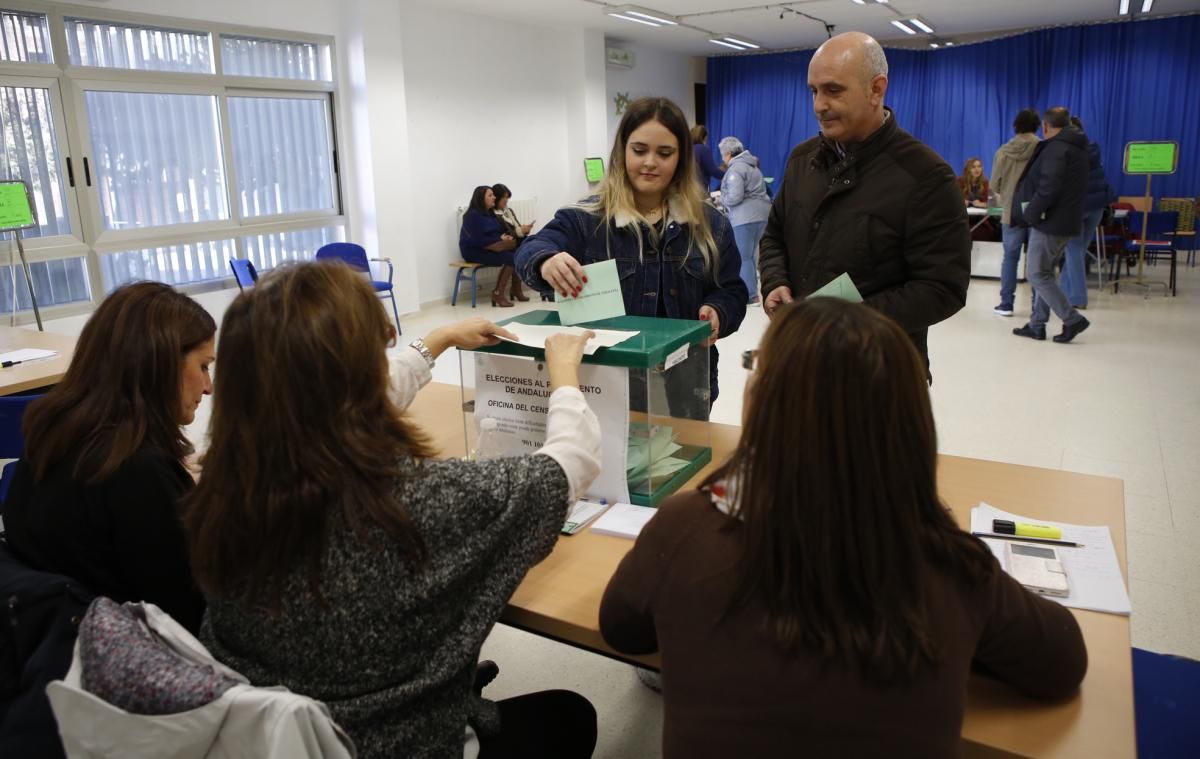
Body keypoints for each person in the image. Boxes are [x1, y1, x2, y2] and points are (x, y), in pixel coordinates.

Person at [599, 298, 1088, 758]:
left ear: (762, 400)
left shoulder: (685, 529)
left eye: (755, 363)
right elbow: (1062, 663)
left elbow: (622, 630)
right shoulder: (951, 566)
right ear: (908, 421)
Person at [185, 261, 601, 759]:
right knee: (572, 716)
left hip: (275, 742)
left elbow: (336, 405)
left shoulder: (219, 489)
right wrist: (565, 375)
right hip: (402, 743)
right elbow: (567, 465)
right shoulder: (421, 505)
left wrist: (438, 340)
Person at [2, 282, 215, 634]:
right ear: (161, 364)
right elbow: (186, 618)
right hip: (138, 661)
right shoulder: (138, 474)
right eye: (204, 366)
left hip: (52, 652)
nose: (208, 387)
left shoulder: (50, 440)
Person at [757, 32, 969, 380]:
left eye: (833, 90)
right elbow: (775, 235)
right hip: (802, 361)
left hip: (879, 374)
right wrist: (775, 282)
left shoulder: (926, 176)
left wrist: (845, 321)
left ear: (876, 89)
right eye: (814, 91)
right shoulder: (801, 161)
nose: (819, 105)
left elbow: (943, 287)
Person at [516, 96, 748, 410]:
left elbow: (731, 290)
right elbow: (531, 249)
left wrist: (719, 312)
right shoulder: (586, 220)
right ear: (622, 152)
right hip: (609, 386)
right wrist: (546, 261)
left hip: (687, 384)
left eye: (664, 153)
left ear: (681, 159)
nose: (650, 162)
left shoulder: (710, 225)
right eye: (639, 150)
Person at [1009, 107, 1090, 343]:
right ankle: (1037, 324)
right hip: (1067, 220)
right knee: (1045, 273)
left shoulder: (1056, 148)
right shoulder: (1078, 147)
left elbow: (1048, 188)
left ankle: (1072, 319)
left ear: (1046, 126)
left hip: (1050, 222)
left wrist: (1030, 215)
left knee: (1036, 274)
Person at [1059, 116, 1116, 310]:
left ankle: (1078, 298)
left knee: (1073, 250)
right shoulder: (1093, 150)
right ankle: (1063, 291)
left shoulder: (1067, 153)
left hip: (1077, 207)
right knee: (1078, 250)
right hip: (1097, 207)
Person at [990, 108, 1042, 317]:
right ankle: (1037, 307)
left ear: (1015, 126)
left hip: (1011, 211)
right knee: (1038, 261)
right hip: (1038, 211)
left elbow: (995, 183)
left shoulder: (1004, 151)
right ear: (1038, 125)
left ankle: (1006, 304)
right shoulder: (1043, 149)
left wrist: (1010, 195)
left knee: (1010, 258)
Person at [717, 136, 772, 303]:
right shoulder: (753, 167)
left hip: (744, 217)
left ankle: (750, 295)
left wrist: (721, 199)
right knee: (754, 257)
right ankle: (757, 291)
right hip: (762, 215)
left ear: (727, 153)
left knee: (743, 257)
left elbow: (735, 196)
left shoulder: (735, 169)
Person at [459, 185, 518, 307]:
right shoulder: (472, 215)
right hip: (474, 251)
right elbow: (477, 240)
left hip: (490, 246)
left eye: (493, 195)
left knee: (518, 252)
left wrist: (505, 237)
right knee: (510, 258)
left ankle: (515, 289)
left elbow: (499, 231)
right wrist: (499, 239)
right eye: (490, 195)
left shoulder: (490, 214)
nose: (494, 198)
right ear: (481, 198)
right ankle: (498, 294)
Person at [491, 183, 532, 302]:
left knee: (529, 244)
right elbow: (505, 233)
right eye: (503, 197)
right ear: (497, 197)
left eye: (507, 198)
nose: (506, 200)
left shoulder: (509, 211)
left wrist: (524, 229)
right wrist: (520, 231)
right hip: (506, 244)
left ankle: (516, 289)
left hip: (515, 242)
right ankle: (513, 290)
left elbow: (516, 228)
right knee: (520, 251)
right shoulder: (493, 214)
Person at [691, 124, 724, 193]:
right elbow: (713, 171)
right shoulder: (703, 149)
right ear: (705, 137)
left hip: (688, 188)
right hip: (699, 189)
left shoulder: (687, 149)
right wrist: (727, 174)